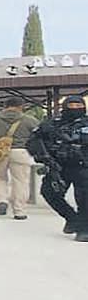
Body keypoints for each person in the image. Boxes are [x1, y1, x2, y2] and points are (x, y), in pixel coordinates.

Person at [26, 96, 88, 242]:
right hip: (59, 166)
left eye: (78, 106)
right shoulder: (51, 124)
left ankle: (84, 229)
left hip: (83, 166)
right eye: (71, 106)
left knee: (84, 199)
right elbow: (33, 141)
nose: (74, 109)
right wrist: (43, 157)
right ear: (64, 107)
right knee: (49, 192)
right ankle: (72, 219)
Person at [0, 97, 40, 220]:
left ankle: (2, 201)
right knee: (20, 181)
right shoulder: (30, 120)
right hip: (21, 151)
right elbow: (39, 136)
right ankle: (19, 211)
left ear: (5, 106)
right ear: (21, 106)